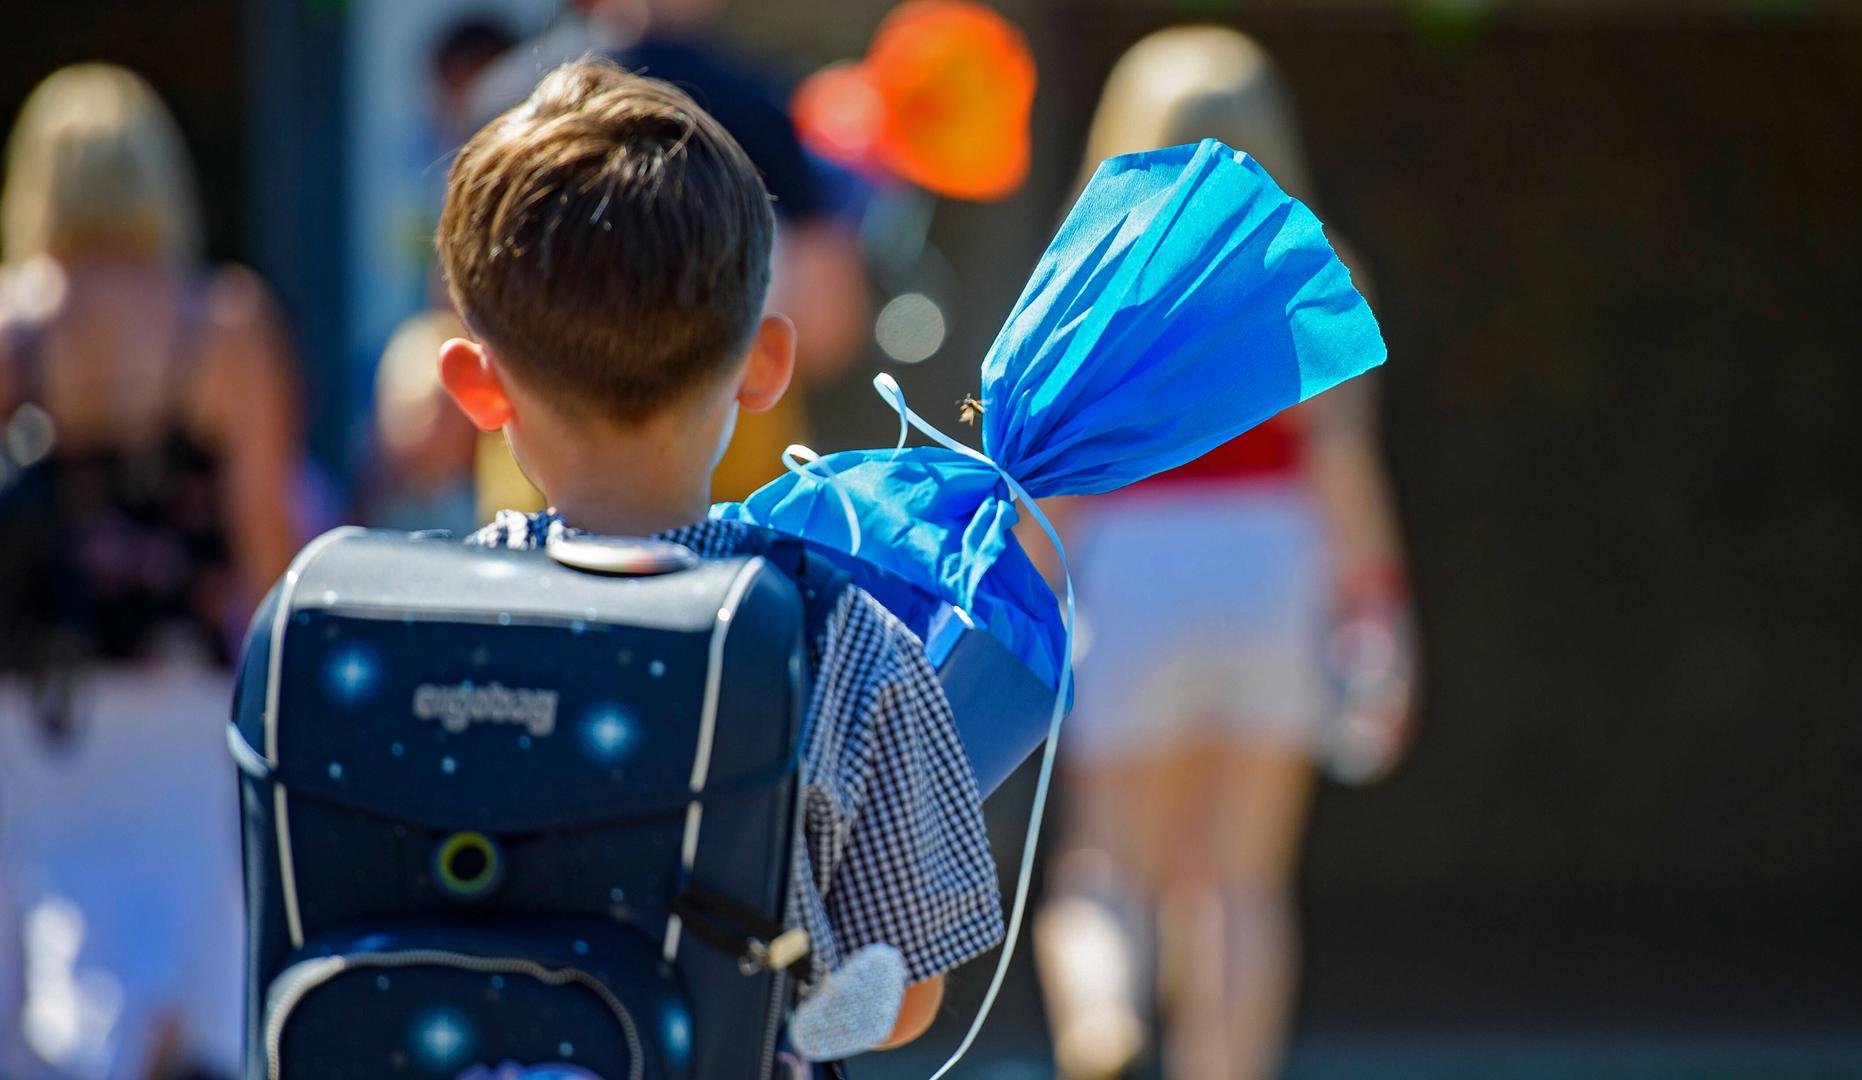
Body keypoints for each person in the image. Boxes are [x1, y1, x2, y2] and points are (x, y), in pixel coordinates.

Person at [433, 59, 1001, 1063]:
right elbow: (907, 993)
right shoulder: (839, 631)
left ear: (476, 388)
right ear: (765, 365)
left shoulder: (418, 618)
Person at [1029, 28, 1419, 1080]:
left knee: (1105, 863)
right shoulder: (1317, 268)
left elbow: (1057, 481)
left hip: (1134, 566)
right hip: (1273, 566)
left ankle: (1102, 1023)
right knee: (1241, 880)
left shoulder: (1092, 276)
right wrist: (1378, 608)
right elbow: (1341, 465)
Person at [0, 64, 304, 1078]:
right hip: (185, 702)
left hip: (35, 710)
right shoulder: (220, 324)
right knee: (188, 984)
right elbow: (261, 528)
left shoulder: (14, 328)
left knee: (44, 990)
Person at [466, 0, 871, 502]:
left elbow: (454, 300)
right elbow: (829, 327)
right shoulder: (760, 109)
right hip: (734, 487)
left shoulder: (505, 108)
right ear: (768, 360)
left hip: (531, 491)